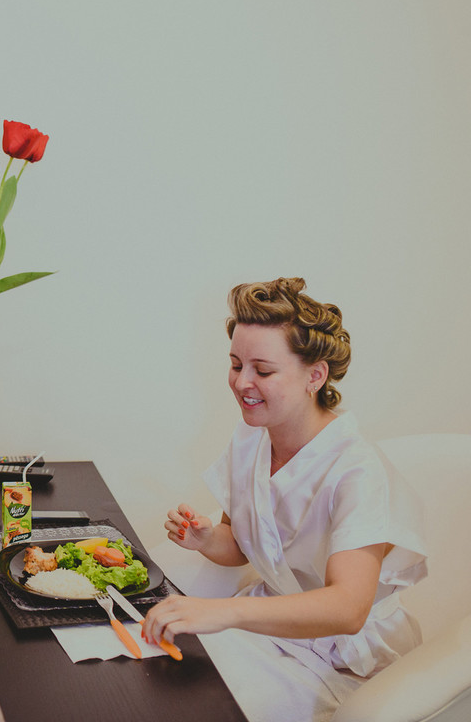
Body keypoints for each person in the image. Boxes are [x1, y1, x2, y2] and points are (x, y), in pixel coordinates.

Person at [142, 278, 427, 722]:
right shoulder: (251, 437)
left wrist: (222, 613)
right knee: (156, 669)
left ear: (316, 376)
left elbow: (348, 608)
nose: (241, 382)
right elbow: (240, 545)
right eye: (236, 364)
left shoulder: (357, 471)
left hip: (345, 661)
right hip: (272, 629)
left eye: (263, 369)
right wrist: (205, 538)